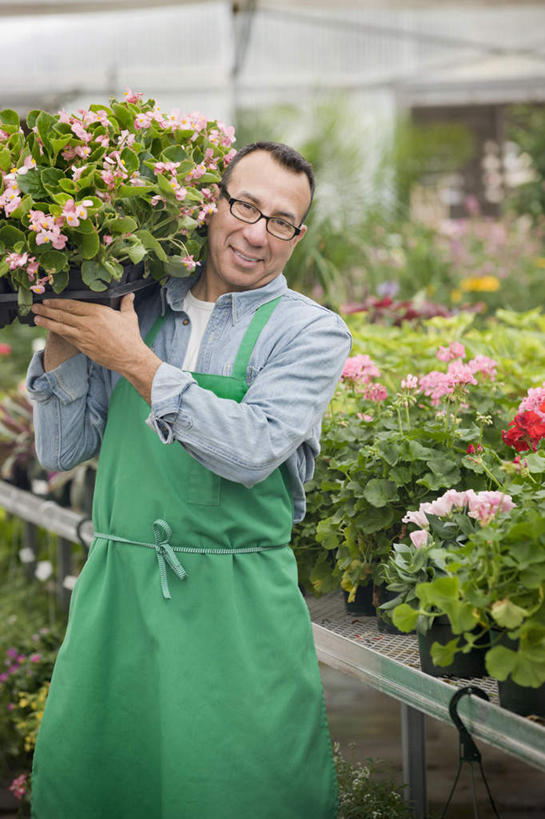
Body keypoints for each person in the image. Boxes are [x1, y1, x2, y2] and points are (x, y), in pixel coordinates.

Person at [26, 141, 351, 819]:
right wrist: (62, 312)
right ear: (209, 205)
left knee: (241, 790)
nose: (257, 233)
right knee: (109, 787)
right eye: (245, 205)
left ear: (298, 234)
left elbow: (252, 447)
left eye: (283, 221)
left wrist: (134, 362)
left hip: (236, 610)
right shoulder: (133, 305)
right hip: (121, 596)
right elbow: (63, 449)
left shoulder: (308, 332)